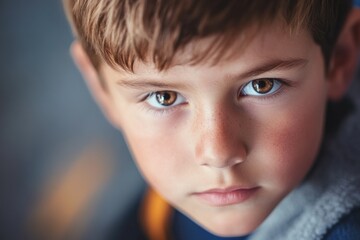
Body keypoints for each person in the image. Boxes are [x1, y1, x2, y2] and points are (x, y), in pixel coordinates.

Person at [62, 0, 360, 239]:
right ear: (100, 87)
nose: (217, 153)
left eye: (262, 85)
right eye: (163, 97)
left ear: (340, 58)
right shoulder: (161, 207)